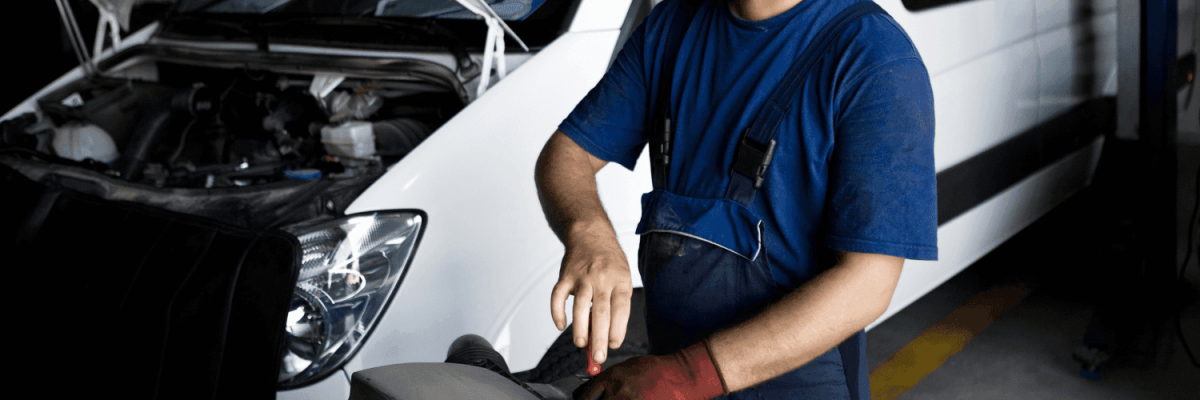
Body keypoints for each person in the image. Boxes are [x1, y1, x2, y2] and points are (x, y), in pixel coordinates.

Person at [534, 0, 938, 398]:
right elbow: (568, 153)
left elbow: (868, 284)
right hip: (667, 375)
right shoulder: (673, 26)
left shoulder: (874, 58)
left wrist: (688, 376)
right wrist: (589, 234)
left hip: (798, 385)